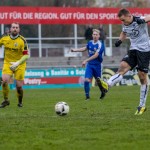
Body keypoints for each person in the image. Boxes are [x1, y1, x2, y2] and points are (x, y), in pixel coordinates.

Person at [98, 8, 150, 115]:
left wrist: (144, 20)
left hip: (144, 50)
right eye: (121, 20)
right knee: (122, 66)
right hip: (133, 49)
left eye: (123, 20)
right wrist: (120, 40)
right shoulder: (125, 25)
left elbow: (148, 17)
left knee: (142, 76)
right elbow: (124, 32)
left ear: (129, 16)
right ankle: (107, 85)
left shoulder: (139, 19)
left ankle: (142, 105)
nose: (123, 22)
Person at [0, 22, 29, 108]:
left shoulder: (22, 40)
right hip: (8, 63)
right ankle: (6, 100)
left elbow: (26, 55)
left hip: (20, 64)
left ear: (19, 29)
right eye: (13, 27)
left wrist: (17, 63)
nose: (15, 29)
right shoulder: (4, 38)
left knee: (19, 86)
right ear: (10, 29)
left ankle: (20, 101)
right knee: (4, 81)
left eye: (16, 27)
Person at [71, 29, 105, 100]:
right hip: (90, 65)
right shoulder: (90, 42)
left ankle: (103, 92)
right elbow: (85, 48)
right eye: (94, 34)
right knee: (86, 80)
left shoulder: (100, 45)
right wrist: (75, 50)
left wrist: (86, 60)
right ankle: (87, 97)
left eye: (96, 35)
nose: (95, 36)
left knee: (98, 82)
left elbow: (96, 55)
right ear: (92, 35)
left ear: (99, 36)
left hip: (97, 65)